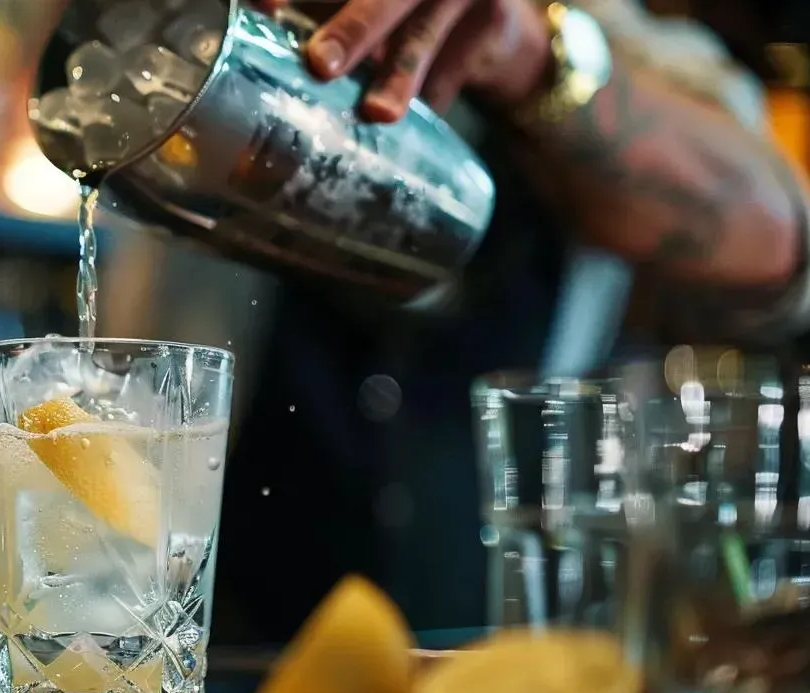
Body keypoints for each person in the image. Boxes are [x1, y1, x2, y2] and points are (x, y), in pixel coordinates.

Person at [209, 0, 810, 645]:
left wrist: (533, 57)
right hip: (208, 632)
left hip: (513, 642)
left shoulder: (611, 30)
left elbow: (780, 249)